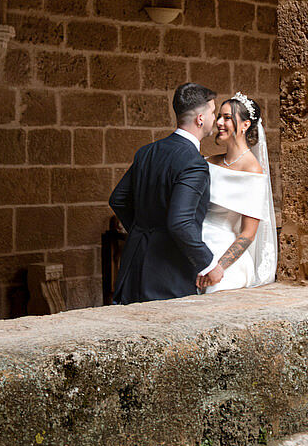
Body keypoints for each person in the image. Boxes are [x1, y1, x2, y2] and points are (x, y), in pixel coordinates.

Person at [108, 82, 216, 303]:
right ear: (200, 119)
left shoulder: (147, 151)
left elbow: (118, 199)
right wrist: (208, 264)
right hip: (167, 272)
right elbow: (180, 222)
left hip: (134, 263)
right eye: (213, 112)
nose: (215, 118)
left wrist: (143, 231)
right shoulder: (194, 163)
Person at [197, 94, 278, 292]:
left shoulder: (252, 170)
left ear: (245, 125)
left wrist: (220, 267)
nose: (219, 123)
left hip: (220, 255)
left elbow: (249, 233)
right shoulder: (208, 162)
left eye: (227, 118)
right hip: (194, 249)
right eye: (219, 117)